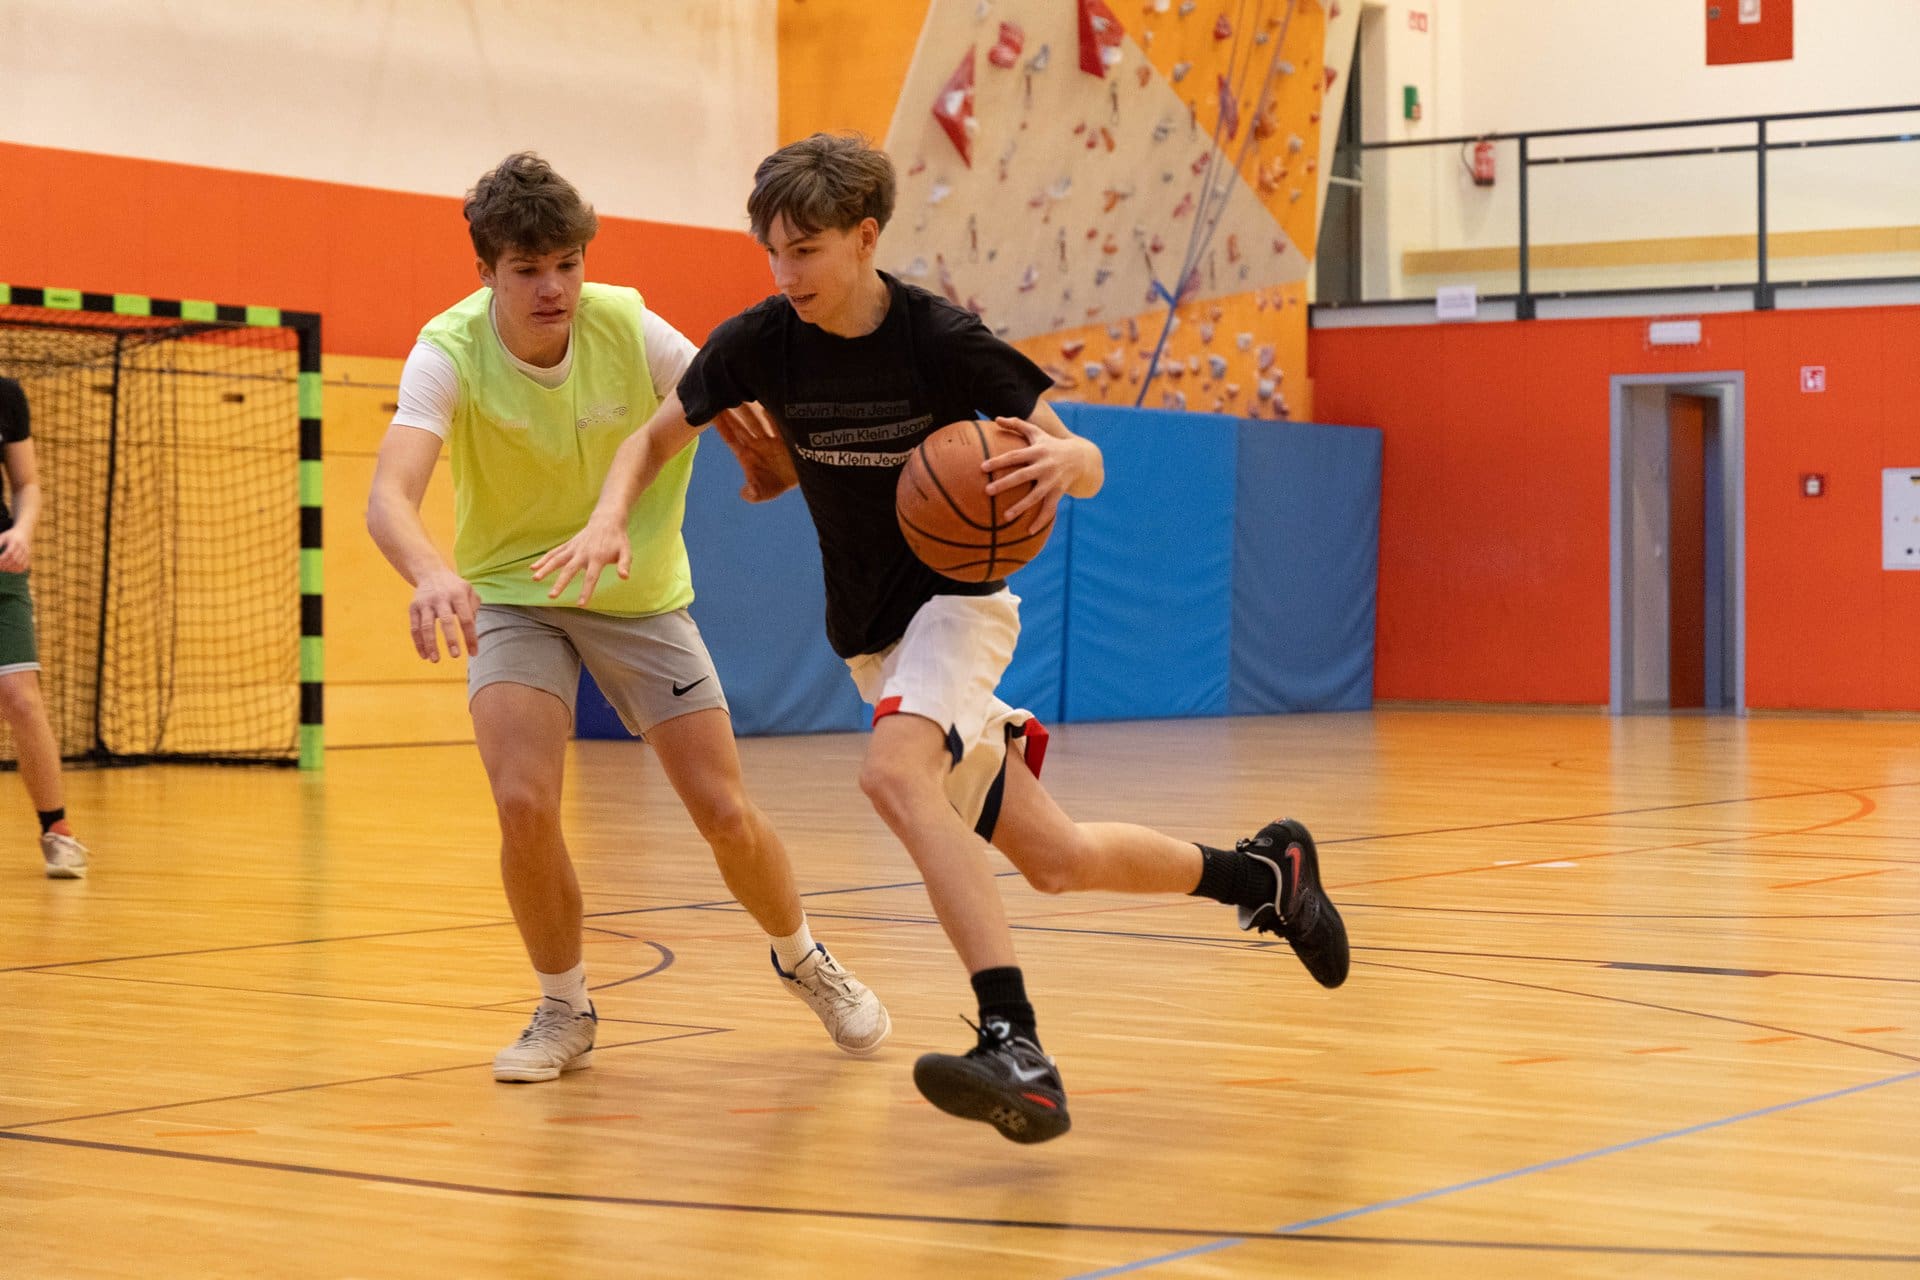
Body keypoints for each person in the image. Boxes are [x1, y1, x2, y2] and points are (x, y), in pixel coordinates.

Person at [532, 134, 1350, 1142]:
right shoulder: (759, 342)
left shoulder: (939, 338)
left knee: (893, 776)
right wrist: (609, 517)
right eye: (772, 252)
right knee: (1055, 856)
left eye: (806, 250)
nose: (786, 273)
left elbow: (1083, 455)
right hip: (873, 645)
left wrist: (1073, 462)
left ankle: (1015, 1041)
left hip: (958, 609)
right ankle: (1267, 876)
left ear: (865, 236)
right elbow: (652, 438)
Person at [365, 153, 889, 1084]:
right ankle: (564, 1007)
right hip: (515, 593)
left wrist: (771, 449)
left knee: (722, 810)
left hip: (636, 592)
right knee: (523, 801)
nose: (554, 287)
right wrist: (432, 573)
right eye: (528, 269)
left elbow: (729, 395)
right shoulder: (447, 350)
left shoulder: (628, 324)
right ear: (486, 272)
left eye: (567, 264)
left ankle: (802, 955)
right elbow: (388, 496)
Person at [0, 377, 90, 880]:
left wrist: (22, 531)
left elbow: (26, 483)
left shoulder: (6, 396)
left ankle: (57, 830)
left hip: (1, 568)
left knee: (20, 697)